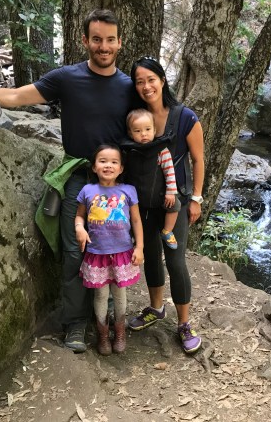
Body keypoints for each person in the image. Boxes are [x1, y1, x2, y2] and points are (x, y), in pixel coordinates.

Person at [0, 9, 141, 353]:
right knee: (74, 250)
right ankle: (76, 322)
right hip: (77, 178)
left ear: (120, 43)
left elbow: (156, 118)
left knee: (115, 248)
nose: (104, 46)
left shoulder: (129, 87)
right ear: (85, 40)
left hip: (115, 186)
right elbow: (16, 96)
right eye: (97, 39)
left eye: (110, 40)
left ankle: (111, 313)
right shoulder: (67, 78)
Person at [126, 56, 204, 354]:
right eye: (140, 82)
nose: (146, 86)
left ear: (162, 80)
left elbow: (198, 159)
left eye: (151, 80)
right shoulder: (136, 117)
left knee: (175, 260)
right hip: (145, 203)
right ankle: (156, 308)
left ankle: (184, 323)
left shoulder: (185, 117)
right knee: (150, 255)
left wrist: (196, 198)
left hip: (176, 202)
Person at [75, 144, 143, 355]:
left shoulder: (128, 190)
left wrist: (139, 247)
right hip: (97, 254)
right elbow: (79, 216)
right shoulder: (87, 191)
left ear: (121, 168)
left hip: (122, 253)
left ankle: (120, 331)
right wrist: (79, 228)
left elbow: (136, 220)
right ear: (94, 167)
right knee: (101, 295)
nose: (108, 166)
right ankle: (103, 334)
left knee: (120, 294)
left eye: (114, 162)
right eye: (102, 161)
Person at [125, 108, 180, 250]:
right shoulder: (129, 151)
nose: (143, 134)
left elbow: (169, 172)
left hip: (159, 194)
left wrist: (171, 192)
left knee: (175, 205)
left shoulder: (161, 150)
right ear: (130, 133)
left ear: (155, 130)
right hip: (137, 197)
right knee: (131, 213)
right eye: (137, 131)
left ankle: (167, 231)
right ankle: (131, 236)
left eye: (147, 129)